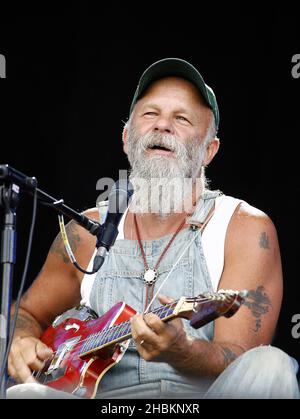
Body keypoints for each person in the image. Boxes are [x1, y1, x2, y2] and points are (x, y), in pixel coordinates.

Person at [7, 58, 300, 399]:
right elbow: (25, 312)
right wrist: (21, 340)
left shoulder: (243, 229)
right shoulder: (87, 231)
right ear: (127, 137)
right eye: (150, 114)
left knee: (271, 366)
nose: (163, 125)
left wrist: (183, 350)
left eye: (182, 118)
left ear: (209, 150)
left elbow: (241, 358)